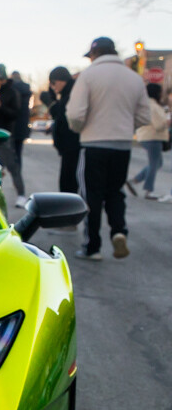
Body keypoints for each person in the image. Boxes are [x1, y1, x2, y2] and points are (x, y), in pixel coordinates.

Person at [66, 36, 152, 260]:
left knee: (91, 195)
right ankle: (118, 231)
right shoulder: (134, 79)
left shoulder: (88, 76)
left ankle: (92, 246)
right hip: (122, 145)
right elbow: (144, 116)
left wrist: (79, 128)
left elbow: (75, 114)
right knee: (115, 192)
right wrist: (124, 126)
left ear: (94, 54)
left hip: (93, 143)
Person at [0, 64, 31, 206]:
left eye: (1, 79)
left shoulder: (12, 92)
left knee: (12, 166)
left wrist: (0, 107)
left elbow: (15, 114)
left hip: (6, 134)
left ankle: (21, 195)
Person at [41, 66, 81, 194]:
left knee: (69, 185)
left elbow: (63, 116)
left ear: (62, 80)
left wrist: (52, 104)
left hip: (73, 146)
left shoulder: (72, 94)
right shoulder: (66, 95)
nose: (53, 87)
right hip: (68, 148)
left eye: (54, 83)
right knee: (67, 184)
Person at [129, 82, 168, 199]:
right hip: (152, 136)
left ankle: (135, 180)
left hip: (148, 136)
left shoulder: (149, 104)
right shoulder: (153, 106)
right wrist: (167, 122)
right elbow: (158, 125)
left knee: (157, 163)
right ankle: (148, 189)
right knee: (154, 163)